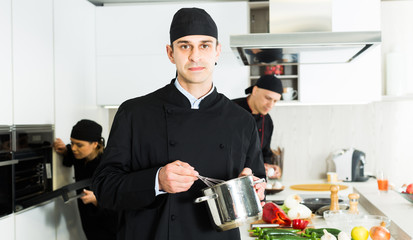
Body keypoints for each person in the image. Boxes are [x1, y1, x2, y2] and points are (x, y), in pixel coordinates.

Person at [92, 7, 266, 240]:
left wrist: (256, 188)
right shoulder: (134, 113)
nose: (195, 56)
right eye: (185, 46)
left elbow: (256, 178)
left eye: (204, 45)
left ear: (217, 51)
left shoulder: (242, 120)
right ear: (170, 53)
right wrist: (157, 180)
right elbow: (104, 189)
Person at [53, 119, 117, 240]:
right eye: (72, 143)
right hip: (88, 224)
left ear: (95, 144)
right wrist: (65, 151)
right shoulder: (81, 157)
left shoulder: (108, 167)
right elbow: (70, 158)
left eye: (79, 145)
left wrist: (97, 200)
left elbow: (119, 206)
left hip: (109, 228)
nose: (74, 148)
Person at [233, 75, 283, 179]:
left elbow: (264, 152)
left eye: (275, 101)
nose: (270, 105)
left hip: (254, 181)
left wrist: (269, 166)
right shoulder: (230, 109)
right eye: (268, 98)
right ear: (255, 91)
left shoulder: (268, 121)